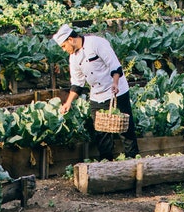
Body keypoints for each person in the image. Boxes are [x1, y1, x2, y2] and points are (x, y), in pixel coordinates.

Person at [51, 24, 138, 158]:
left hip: (116, 90)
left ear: (70, 40)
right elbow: (77, 84)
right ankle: (106, 164)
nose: (64, 50)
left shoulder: (97, 43)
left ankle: (133, 160)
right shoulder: (73, 58)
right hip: (97, 95)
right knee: (100, 132)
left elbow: (115, 66)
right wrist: (68, 103)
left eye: (63, 46)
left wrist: (115, 84)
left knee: (125, 129)